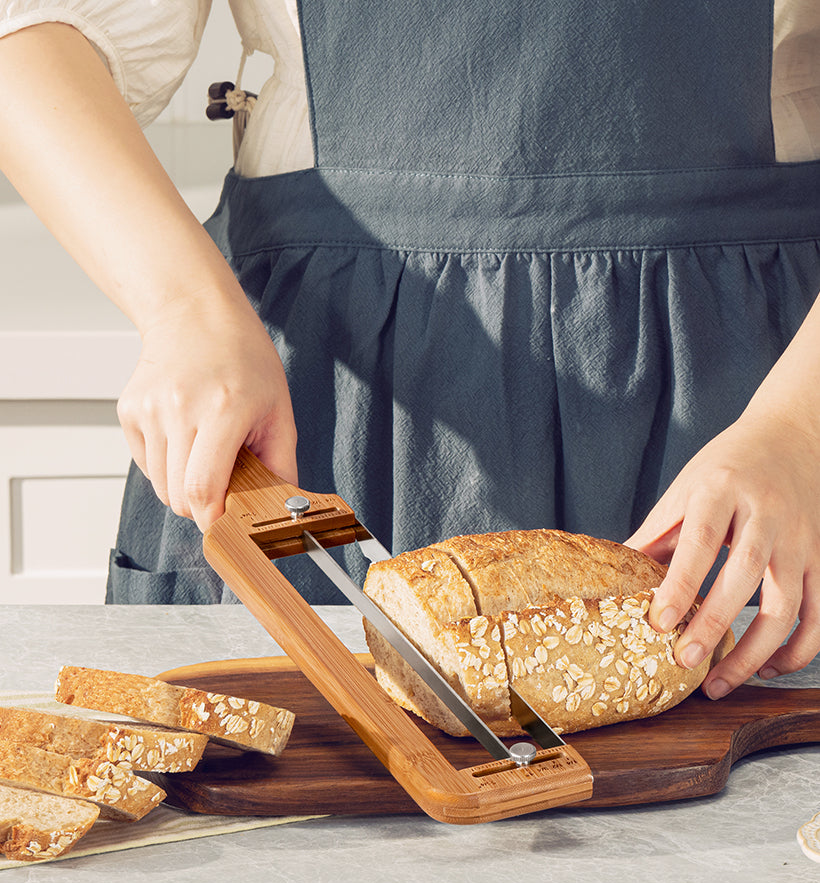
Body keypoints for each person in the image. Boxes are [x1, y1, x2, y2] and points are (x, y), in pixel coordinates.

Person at [1, 1, 819, 705]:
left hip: (756, 400)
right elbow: (34, 33)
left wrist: (800, 429)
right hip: (311, 391)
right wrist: (185, 310)